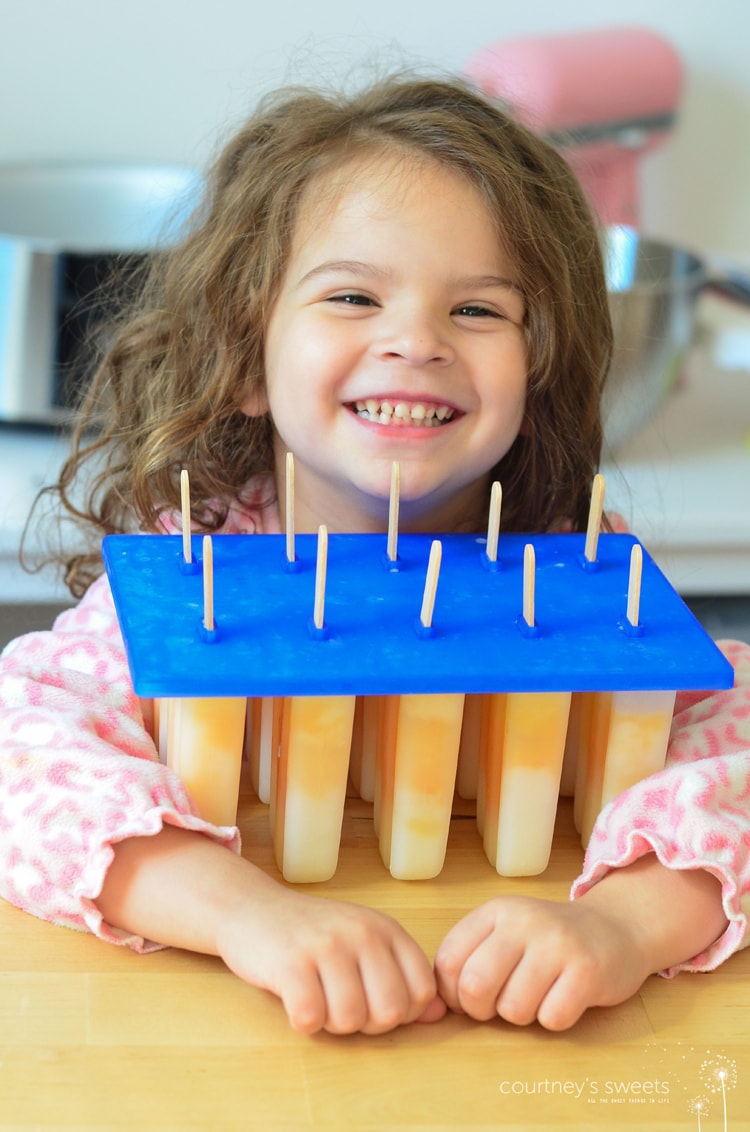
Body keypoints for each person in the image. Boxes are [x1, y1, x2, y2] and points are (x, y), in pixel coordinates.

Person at [1, 73, 749, 1037]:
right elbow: (25, 749)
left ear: (540, 366)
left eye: (478, 311)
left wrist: (623, 927)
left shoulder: (565, 567)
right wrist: (248, 913)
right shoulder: (200, 561)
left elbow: (732, 743)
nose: (415, 341)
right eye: (353, 295)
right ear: (243, 361)